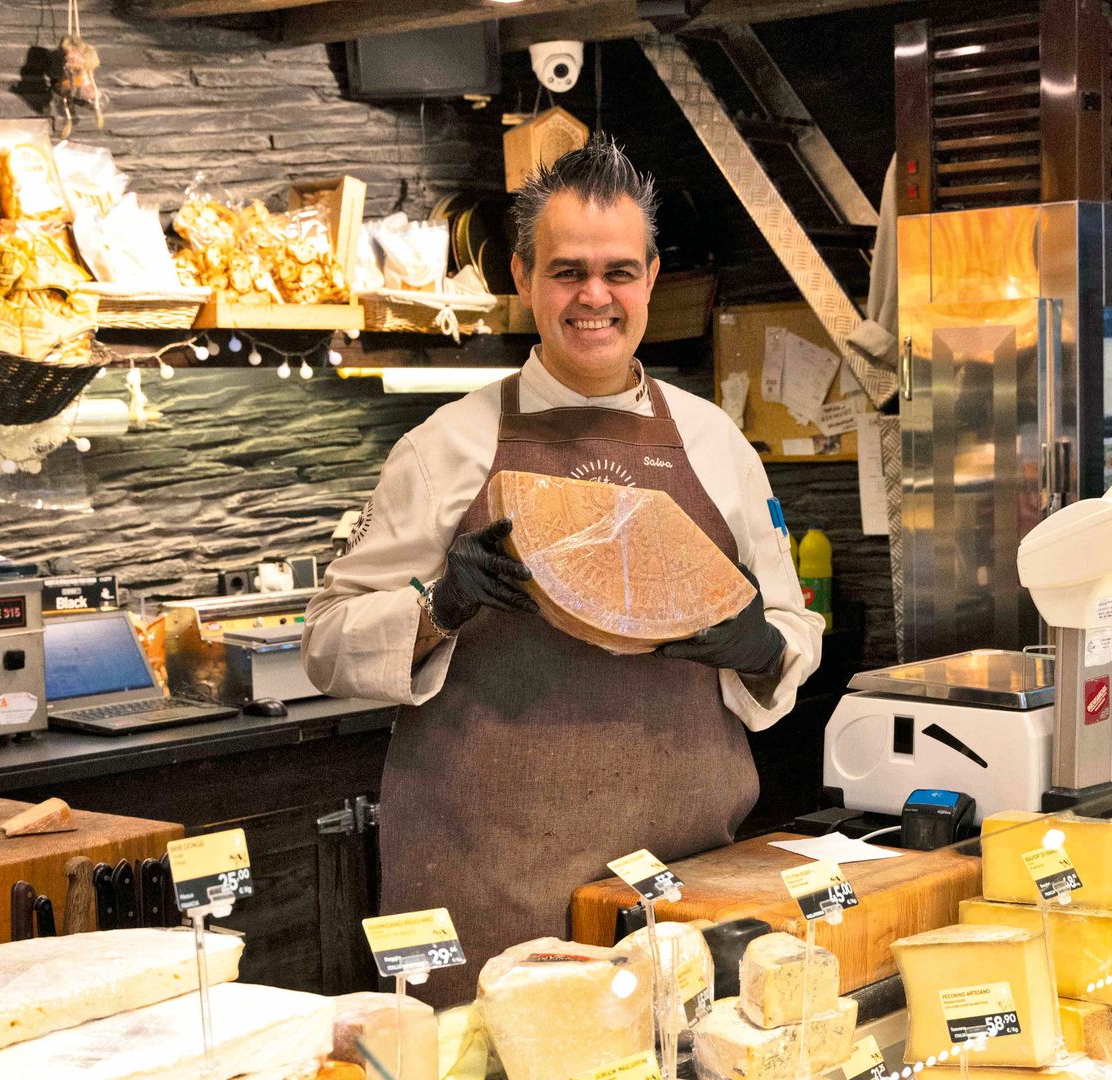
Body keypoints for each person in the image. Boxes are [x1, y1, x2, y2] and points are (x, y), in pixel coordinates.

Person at [302, 136, 824, 1002]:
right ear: (523, 277)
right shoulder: (445, 448)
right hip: (492, 886)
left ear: (652, 278)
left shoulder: (718, 445)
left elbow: (792, 632)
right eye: (567, 271)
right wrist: (440, 604)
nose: (595, 297)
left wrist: (754, 645)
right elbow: (327, 642)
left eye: (619, 272)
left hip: (682, 882)